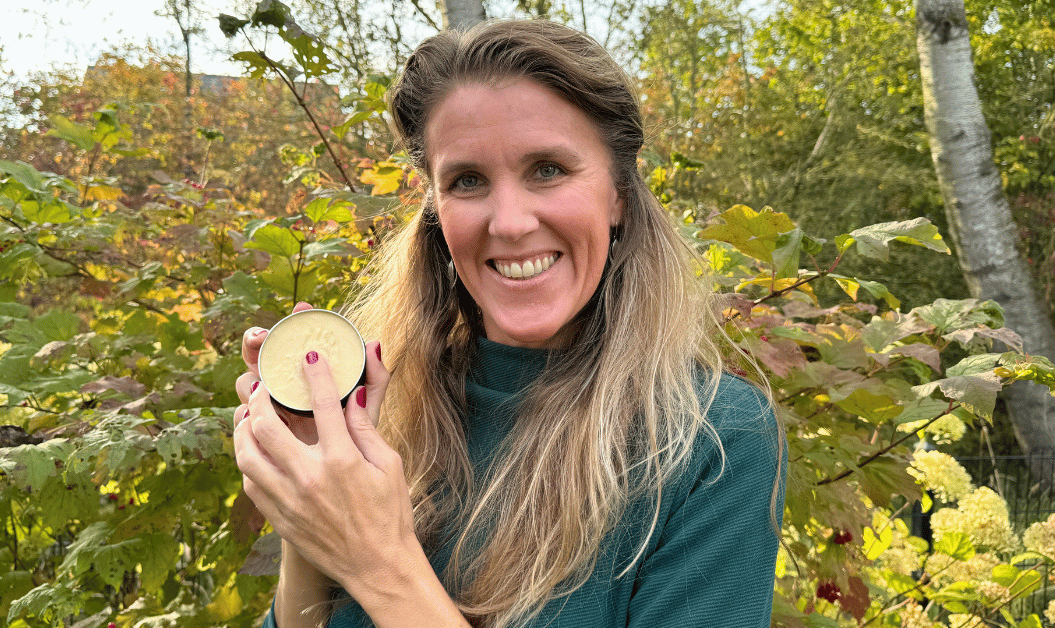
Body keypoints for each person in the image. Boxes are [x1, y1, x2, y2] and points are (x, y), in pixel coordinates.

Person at [232, 18, 784, 628]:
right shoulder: (385, 407)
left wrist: (379, 564)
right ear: (437, 212)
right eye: (467, 181)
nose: (511, 223)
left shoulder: (712, 441)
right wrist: (307, 511)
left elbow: (378, 573)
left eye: (547, 169)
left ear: (620, 193)